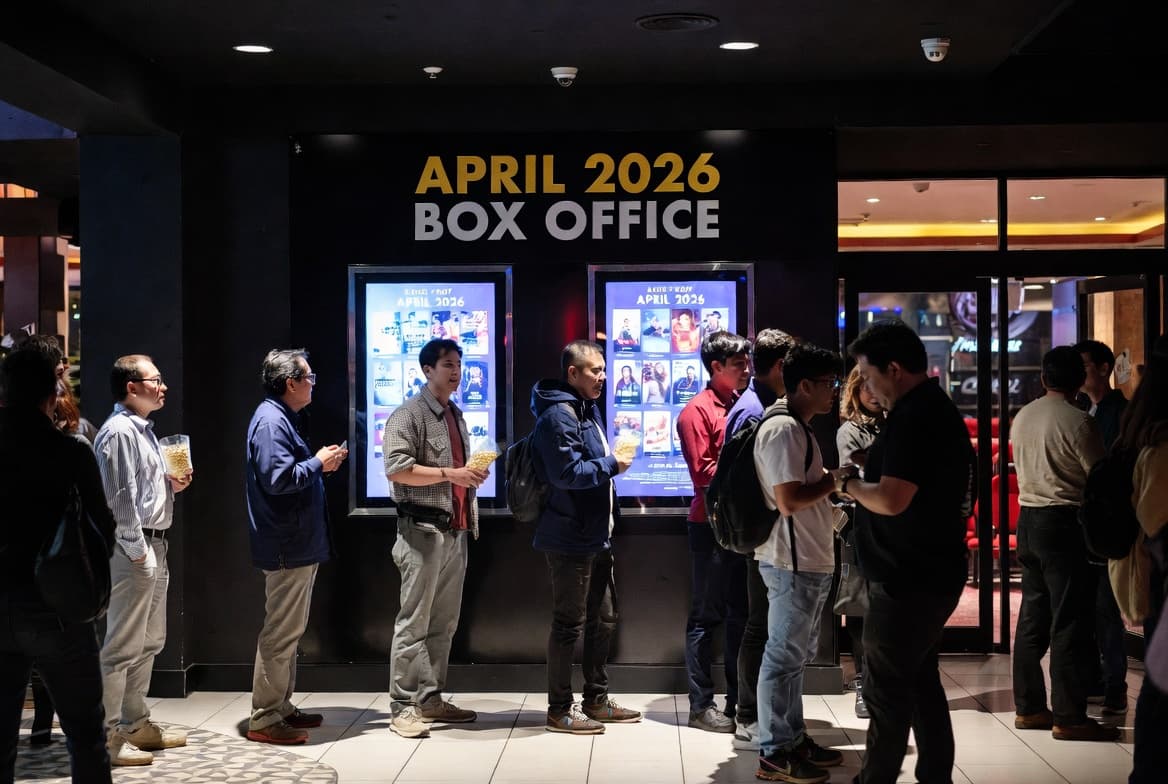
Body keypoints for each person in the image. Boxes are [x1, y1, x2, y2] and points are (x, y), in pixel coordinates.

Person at [844, 321, 974, 784]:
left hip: (907, 578)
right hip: (928, 572)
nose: (867, 387)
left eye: (868, 374)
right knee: (921, 684)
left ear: (894, 369)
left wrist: (848, 483)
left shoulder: (915, 417)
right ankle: (934, 775)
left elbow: (893, 499)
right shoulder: (930, 408)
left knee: (887, 693)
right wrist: (870, 463)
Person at [0, 349, 115, 783]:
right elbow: (101, 526)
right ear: (52, 390)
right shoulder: (69, 449)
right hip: (58, 607)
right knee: (85, 736)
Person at [529, 340, 639, 734]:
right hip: (569, 538)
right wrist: (613, 464)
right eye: (595, 370)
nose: (603, 377)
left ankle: (596, 699)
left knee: (604, 618)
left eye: (604, 370)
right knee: (568, 625)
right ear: (572, 373)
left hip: (595, 535)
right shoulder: (559, 415)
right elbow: (567, 474)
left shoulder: (584, 409)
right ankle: (559, 709)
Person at [1009, 346, 1117, 741]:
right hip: (1065, 524)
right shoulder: (1079, 422)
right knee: (1070, 620)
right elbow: (1098, 478)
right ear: (1078, 381)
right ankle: (1069, 716)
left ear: (1043, 378)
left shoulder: (1024, 416)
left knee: (1032, 619)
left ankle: (1029, 707)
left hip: (1029, 519)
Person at [383, 339, 488, 739]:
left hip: (456, 529)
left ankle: (430, 698)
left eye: (459, 364)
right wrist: (451, 474)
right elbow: (396, 469)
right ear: (427, 370)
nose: (455, 371)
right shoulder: (408, 414)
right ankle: (403, 705)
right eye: (447, 364)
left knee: (444, 623)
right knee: (414, 622)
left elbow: (457, 471)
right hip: (421, 531)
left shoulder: (455, 414)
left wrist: (470, 475)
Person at [752, 343, 846, 783]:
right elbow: (788, 501)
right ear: (804, 385)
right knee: (782, 657)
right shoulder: (784, 430)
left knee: (792, 659)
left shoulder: (799, 428)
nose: (834, 393)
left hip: (807, 559)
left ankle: (792, 738)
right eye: (829, 384)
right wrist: (836, 481)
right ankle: (773, 752)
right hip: (790, 562)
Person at [94, 355, 193, 766]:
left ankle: (135, 723)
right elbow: (118, 503)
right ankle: (104, 738)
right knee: (120, 646)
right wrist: (138, 553)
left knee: (150, 640)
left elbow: (140, 493)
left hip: (155, 544)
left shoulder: (144, 432)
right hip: (134, 549)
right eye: (156, 380)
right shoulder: (118, 432)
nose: (163, 386)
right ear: (131, 387)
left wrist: (172, 485)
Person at [245, 349, 346, 744]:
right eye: (309, 376)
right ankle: (265, 717)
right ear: (291, 383)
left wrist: (321, 465)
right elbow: (278, 479)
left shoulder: (279, 417)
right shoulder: (271, 422)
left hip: (296, 541)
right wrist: (319, 462)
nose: (313, 383)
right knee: (281, 632)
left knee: (290, 629)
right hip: (287, 542)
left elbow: (287, 476)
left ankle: (281, 707)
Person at [723, 328, 795, 751]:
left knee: (760, 627)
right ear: (783, 366)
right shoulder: (757, 409)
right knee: (760, 628)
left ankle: (751, 712)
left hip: (760, 534)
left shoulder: (752, 404)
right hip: (761, 536)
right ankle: (749, 715)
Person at [676, 331, 752, 733]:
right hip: (708, 525)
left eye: (745, 362)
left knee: (741, 614)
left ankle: (739, 700)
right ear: (716, 366)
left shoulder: (742, 404)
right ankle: (700, 704)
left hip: (739, 524)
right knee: (706, 617)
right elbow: (703, 474)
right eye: (737, 363)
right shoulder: (696, 411)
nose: (745, 369)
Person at [1116, 333, 1168, 783]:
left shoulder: (1139, 428)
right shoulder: (1160, 441)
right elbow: (1156, 520)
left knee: (1158, 684)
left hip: (1154, 576)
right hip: (1161, 577)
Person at [1075, 339, 1129, 716]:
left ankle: (1115, 686)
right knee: (1085, 607)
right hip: (1080, 520)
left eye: (1086, 367)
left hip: (1108, 519)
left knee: (1107, 608)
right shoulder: (1077, 409)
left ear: (1104, 368)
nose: (1080, 375)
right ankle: (1093, 679)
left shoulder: (1121, 412)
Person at [835, 364, 885, 721]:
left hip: (894, 526)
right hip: (860, 526)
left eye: (875, 385)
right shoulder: (849, 431)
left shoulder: (896, 423)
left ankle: (883, 683)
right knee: (859, 607)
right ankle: (863, 685)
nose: (870, 392)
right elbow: (850, 480)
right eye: (863, 385)